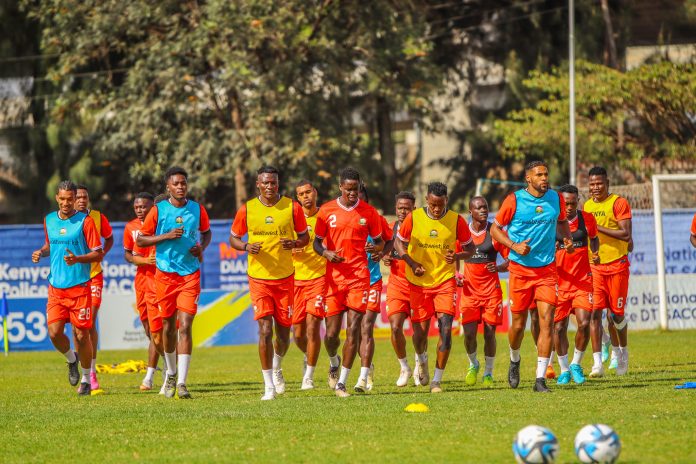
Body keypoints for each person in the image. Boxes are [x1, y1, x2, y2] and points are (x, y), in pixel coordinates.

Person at [490, 160, 574, 393]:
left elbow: (562, 222)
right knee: (518, 325)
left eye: (546, 174)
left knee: (547, 321)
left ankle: (540, 379)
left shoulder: (555, 198)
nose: (544, 178)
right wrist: (514, 245)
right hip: (519, 270)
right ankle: (515, 359)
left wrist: (566, 238)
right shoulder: (514, 200)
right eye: (539, 175)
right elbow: (494, 230)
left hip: (547, 270)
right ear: (529, 178)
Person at [230, 166, 309, 400]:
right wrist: (245, 246)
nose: (270, 186)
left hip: (285, 279)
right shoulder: (248, 209)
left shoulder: (291, 207)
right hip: (259, 279)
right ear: (258, 184)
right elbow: (234, 238)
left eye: (273, 182)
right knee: (264, 330)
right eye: (265, 183)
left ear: (278, 183)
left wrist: (294, 243)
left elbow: (305, 236)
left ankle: (277, 366)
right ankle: (268, 386)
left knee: (284, 336)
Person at [137, 167, 212, 399]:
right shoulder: (158, 210)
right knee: (167, 328)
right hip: (165, 275)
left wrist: (201, 246)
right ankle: (170, 372)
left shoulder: (197, 209)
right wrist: (166, 236)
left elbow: (206, 233)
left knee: (186, 325)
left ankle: (181, 383)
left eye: (183, 183)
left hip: (190, 274)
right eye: (176, 184)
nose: (180, 187)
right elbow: (141, 240)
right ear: (168, 187)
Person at [394, 182, 475, 393]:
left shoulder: (456, 221)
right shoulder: (414, 218)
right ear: (427, 201)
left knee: (446, 330)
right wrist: (411, 263)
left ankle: (437, 381)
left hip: (444, 281)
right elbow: (398, 243)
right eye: (432, 205)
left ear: (446, 200)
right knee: (419, 334)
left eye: (440, 205)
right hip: (418, 283)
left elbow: (471, 248)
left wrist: (458, 256)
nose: (436, 209)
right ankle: (422, 360)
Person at [313, 167, 384, 397]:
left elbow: (383, 241)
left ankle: (343, 382)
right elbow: (316, 243)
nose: (353, 193)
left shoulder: (369, 213)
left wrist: (377, 249)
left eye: (356, 189)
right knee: (331, 335)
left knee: (354, 329)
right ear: (340, 187)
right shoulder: (326, 211)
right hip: (334, 280)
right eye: (349, 189)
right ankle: (334, 362)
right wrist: (326, 254)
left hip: (359, 279)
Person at [32, 181, 103, 395]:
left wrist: (78, 258)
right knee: (54, 333)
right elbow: (50, 244)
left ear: (75, 199)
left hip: (80, 287)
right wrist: (41, 252)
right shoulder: (49, 220)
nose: (66, 203)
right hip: (56, 288)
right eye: (62, 199)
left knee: (82, 335)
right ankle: (71, 360)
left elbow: (98, 253)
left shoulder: (86, 222)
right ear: (56, 198)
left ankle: (86, 379)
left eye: (70, 199)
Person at [583, 166, 632, 377]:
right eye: (592, 184)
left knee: (616, 315)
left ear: (607, 183)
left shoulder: (619, 202)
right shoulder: (586, 206)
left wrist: (595, 227)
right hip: (595, 267)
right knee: (594, 314)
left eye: (599, 183)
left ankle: (622, 353)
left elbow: (625, 233)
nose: (595, 187)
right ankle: (597, 364)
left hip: (617, 266)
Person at [460, 196, 509, 387]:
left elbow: (510, 258)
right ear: (470, 211)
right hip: (469, 291)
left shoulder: (494, 231)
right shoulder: (463, 231)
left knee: (490, 333)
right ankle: (473, 364)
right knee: (469, 333)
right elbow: (455, 253)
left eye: (486, 207)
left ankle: (488, 372)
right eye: (479, 208)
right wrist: (457, 272)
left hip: (491, 291)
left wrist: (499, 268)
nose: (483, 210)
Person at [553, 185, 599, 385]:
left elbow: (594, 239)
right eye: (566, 203)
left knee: (584, 323)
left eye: (573, 203)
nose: (570, 207)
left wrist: (594, 254)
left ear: (578, 200)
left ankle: (576, 363)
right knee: (559, 327)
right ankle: (563, 369)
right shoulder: (552, 221)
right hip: (559, 282)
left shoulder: (587, 219)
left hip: (582, 281)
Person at [124, 192, 164, 392]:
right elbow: (129, 254)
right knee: (149, 330)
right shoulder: (131, 227)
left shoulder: (162, 225)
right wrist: (143, 261)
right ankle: (168, 361)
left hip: (160, 281)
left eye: (144, 207)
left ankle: (150, 376)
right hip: (141, 281)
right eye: (137, 207)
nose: (140, 211)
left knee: (158, 331)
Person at [74, 185, 113, 391]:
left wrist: (102, 253)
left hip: (94, 276)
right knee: (76, 326)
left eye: (85, 197)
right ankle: (81, 365)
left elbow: (110, 238)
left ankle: (93, 372)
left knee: (89, 322)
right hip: (73, 279)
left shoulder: (98, 217)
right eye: (78, 197)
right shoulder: (67, 220)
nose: (82, 200)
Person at [356, 184, 394, 392]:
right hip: (350, 283)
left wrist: (380, 252)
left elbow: (389, 241)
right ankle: (365, 363)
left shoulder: (376, 219)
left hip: (372, 279)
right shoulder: (342, 217)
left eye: (361, 198)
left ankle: (364, 376)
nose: (357, 202)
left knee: (366, 326)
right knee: (352, 331)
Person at [291, 180, 326, 391]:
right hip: (295, 280)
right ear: (297, 198)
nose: (306, 196)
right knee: (298, 334)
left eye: (308, 192)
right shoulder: (292, 218)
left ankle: (309, 376)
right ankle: (308, 355)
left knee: (314, 326)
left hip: (319, 278)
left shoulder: (324, 216)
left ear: (315, 192)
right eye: (301, 194)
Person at [383, 191, 416, 387]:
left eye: (407, 208)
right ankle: (404, 366)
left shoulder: (420, 228)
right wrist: (386, 257)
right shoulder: (390, 229)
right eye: (400, 208)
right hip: (396, 285)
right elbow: (385, 251)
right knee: (395, 327)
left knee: (419, 332)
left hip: (418, 285)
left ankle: (421, 361)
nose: (403, 212)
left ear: (414, 209)